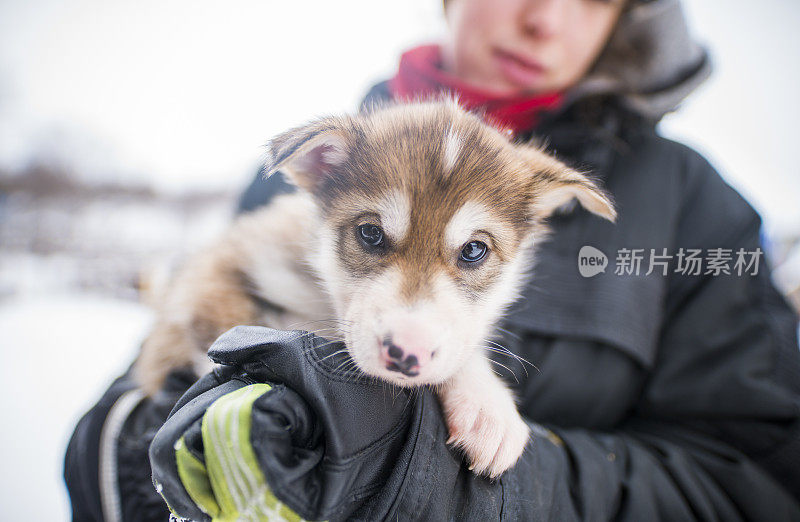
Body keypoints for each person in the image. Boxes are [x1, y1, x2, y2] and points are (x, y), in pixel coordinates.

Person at [65, 0, 800, 520]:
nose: (545, 16)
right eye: (372, 239)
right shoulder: (326, 160)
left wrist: (446, 487)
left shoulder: (689, 202)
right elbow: (133, 405)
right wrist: (163, 457)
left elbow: (752, 488)